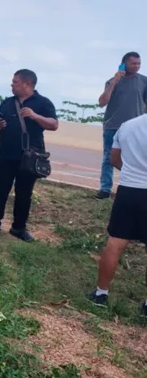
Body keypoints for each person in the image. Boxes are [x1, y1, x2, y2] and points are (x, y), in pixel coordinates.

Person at [0, 69, 58, 242]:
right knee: (0, 190)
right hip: (5, 153)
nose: (12, 84)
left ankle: (18, 228)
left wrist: (34, 116)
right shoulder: (8, 102)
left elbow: (54, 124)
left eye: (15, 82)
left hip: (30, 157)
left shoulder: (43, 102)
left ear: (27, 84)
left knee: (24, 193)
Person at [86, 113, 147, 318]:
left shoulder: (127, 125)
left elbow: (113, 158)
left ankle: (100, 294)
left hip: (128, 190)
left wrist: (132, 170)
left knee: (115, 243)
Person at [94, 52, 147, 200]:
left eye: (139, 63)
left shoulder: (144, 81)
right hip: (113, 126)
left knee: (138, 157)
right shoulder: (112, 81)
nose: (136, 66)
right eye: (133, 63)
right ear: (123, 64)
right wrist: (115, 81)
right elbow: (102, 102)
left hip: (136, 129)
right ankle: (105, 189)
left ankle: (135, 186)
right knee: (108, 158)